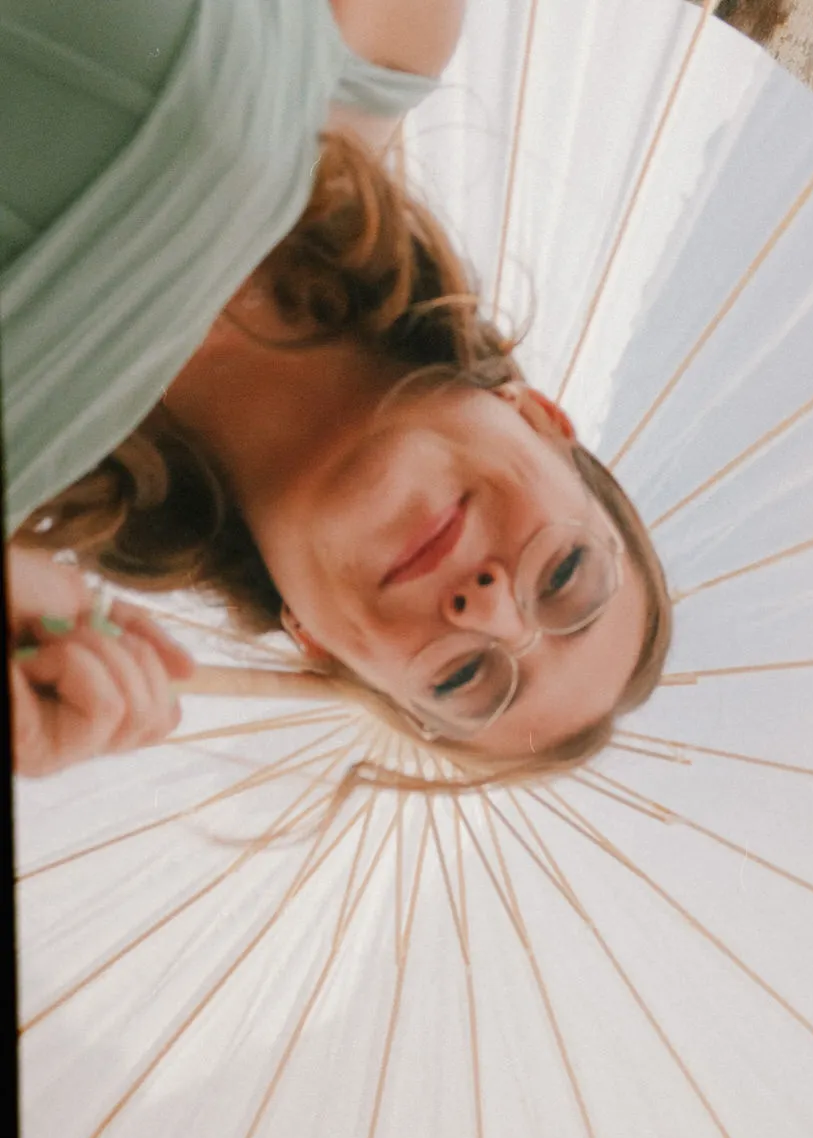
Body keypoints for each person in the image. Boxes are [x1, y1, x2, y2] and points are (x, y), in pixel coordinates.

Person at [4, 0, 670, 779]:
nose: (487, 608)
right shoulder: (390, 42)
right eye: (565, 577)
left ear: (311, 643)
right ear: (539, 416)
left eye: (463, 677)